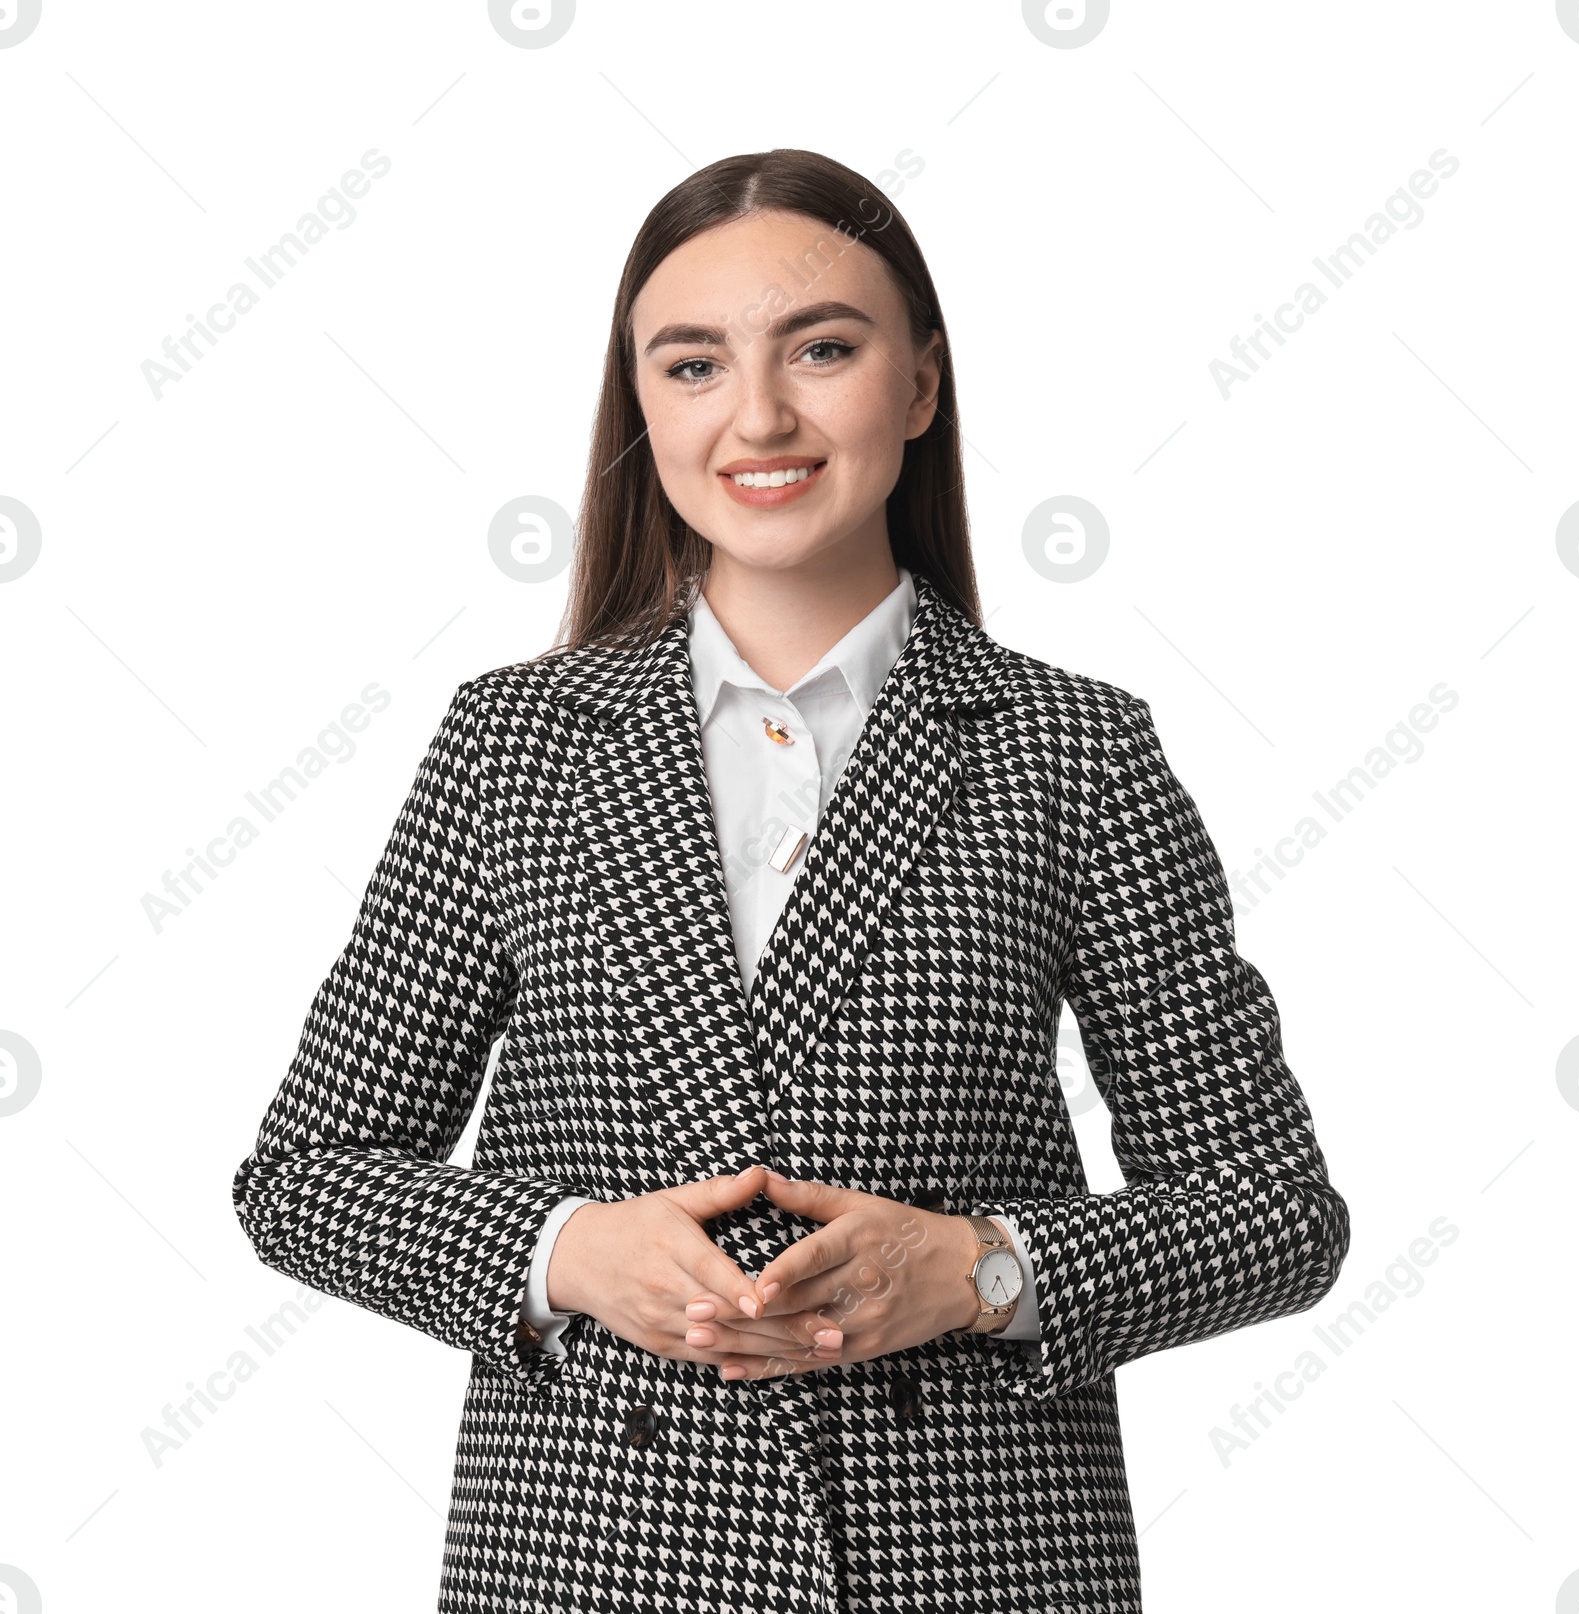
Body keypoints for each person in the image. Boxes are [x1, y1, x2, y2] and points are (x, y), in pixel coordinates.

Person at [232, 147, 1351, 1614]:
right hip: (592, 1562)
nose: (758, 416)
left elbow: (1273, 1208)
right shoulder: (516, 743)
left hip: (974, 1562)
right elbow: (304, 1176)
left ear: (923, 385)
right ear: (642, 405)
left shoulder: (1075, 749)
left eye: (821, 349)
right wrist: (568, 1251)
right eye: (693, 365)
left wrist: (978, 1271)